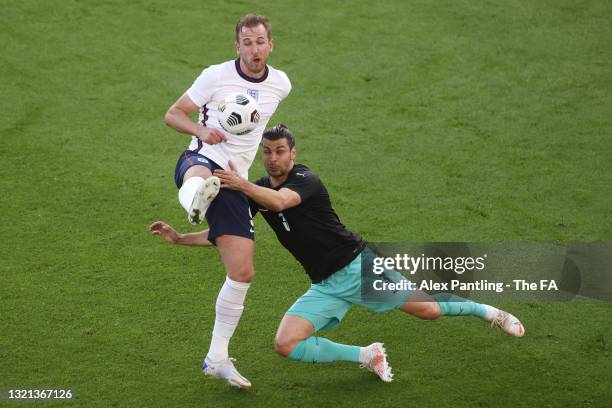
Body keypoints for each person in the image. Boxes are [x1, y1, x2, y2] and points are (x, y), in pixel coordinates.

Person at [151, 125, 524, 384]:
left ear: (293, 153)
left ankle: (490, 311)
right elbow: (227, 235)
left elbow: (281, 202)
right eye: (266, 151)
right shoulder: (257, 190)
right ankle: (367, 355)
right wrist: (179, 237)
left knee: (428, 310)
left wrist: (244, 185)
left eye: (280, 151)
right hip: (325, 284)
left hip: (358, 268)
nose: (273, 158)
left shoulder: (305, 180)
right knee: (286, 344)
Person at [162, 14, 291, 389]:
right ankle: (194, 200)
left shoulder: (281, 84)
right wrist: (202, 129)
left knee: (242, 272)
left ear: (271, 45)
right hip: (201, 158)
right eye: (247, 43)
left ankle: (217, 357)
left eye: (260, 42)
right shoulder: (216, 76)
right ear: (237, 47)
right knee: (198, 179)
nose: (254, 49)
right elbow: (173, 114)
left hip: (235, 180)